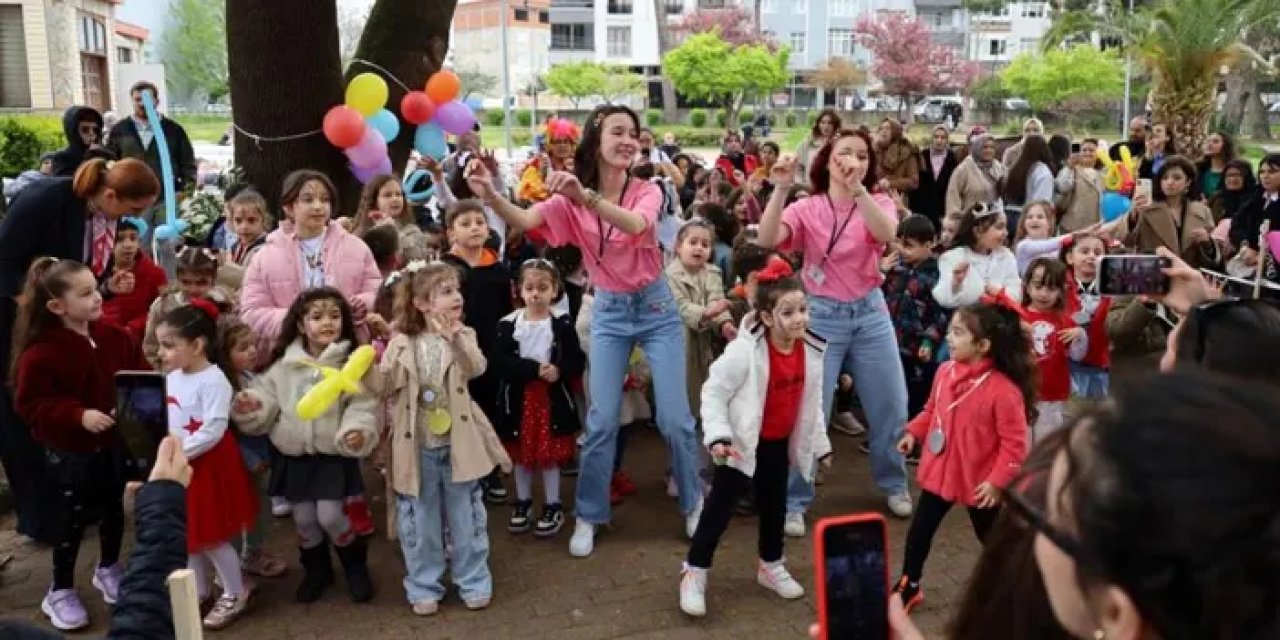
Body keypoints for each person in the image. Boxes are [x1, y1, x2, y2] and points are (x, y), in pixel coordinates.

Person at [465, 104, 705, 558]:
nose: (629, 139)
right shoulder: (569, 198)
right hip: (611, 311)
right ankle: (591, 515)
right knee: (600, 420)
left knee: (674, 419)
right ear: (597, 139)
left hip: (657, 309)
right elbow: (527, 223)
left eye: (633, 132)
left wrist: (585, 198)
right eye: (618, 131)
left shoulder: (647, 189)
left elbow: (637, 225)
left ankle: (694, 504)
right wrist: (491, 195)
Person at [756, 128, 913, 525]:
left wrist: (859, 191)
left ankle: (894, 482)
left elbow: (887, 234)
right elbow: (768, 238)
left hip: (870, 313)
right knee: (809, 409)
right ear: (827, 159)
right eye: (845, 153)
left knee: (891, 405)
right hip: (819, 316)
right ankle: (796, 498)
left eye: (862, 155)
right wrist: (779, 189)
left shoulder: (877, 201)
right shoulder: (807, 207)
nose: (854, 161)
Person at [0, 158, 158, 543]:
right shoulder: (45, 200)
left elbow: (79, 271)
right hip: (14, 322)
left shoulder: (104, 215)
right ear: (110, 194)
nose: (135, 219)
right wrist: (39, 306)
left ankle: (77, 500)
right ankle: (42, 516)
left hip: (59, 322)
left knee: (72, 404)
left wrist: (103, 287)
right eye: (134, 210)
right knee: (24, 415)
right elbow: (4, 260)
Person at [678, 258, 832, 617]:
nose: (799, 319)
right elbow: (713, 392)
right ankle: (694, 571)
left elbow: (813, 404)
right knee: (719, 509)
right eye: (788, 312)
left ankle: (771, 564)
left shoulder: (810, 350)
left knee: (775, 505)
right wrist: (718, 435)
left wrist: (820, 445)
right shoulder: (744, 352)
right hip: (741, 445)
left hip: (778, 443)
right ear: (766, 317)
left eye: (803, 309)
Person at [11, 258, 141, 631]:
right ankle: (61, 588)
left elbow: (137, 373)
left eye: (95, 288)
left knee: (115, 506)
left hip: (113, 443)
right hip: (70, 451)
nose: (97, 297)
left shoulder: (115, 336)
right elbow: (31, 404)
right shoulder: (41, 353)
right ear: (56, 306)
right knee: (72, 519)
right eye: (85, 293)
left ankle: (109, 567)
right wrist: (76, 415)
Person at [231, 289, 380, 604]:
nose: (327, 323)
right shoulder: (284, 365)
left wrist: (356, 430)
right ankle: (317, 571)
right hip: (294, 456)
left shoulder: (351, 363)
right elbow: (265, 396)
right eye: (317, 316)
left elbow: (363, 404)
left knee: (329, 515)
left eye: (335, 316)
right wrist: (251, 406)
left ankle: (355, 565)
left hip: (332, 455)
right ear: (300, 325)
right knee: (304, 520)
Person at [379, 261, 511, 615]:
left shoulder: (463, 334)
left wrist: (455, 340)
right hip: (417, 444)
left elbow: (477, 368)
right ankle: (424, 583)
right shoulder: (402, 342)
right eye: (446, 292)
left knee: (466, 516)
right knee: (420, 522)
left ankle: (473, 578)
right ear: (421, 303)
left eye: (457, 290)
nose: (457, 298)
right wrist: (376, 359)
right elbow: (385, 386)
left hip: (458, 443)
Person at [893, 302, 1033, 613]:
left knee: (993, 540)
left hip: (979, 483)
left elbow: (1015, 444)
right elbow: (932, 410)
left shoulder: (1004, 390)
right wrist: (913, 433)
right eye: (950, 331)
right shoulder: (944, 372)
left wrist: (997, 482)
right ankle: (909, 583)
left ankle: (1017, 583)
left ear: (983, 345)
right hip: (940, 473)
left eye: (958, 333)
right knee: (919, 532)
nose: (949, 339)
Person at [154, 302, 257, 629]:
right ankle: (197, 591)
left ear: (197, 345)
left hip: (208, 466)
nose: (162, 353)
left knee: (210, 536)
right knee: (189, 533)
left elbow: (213, 429)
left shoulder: (214, 381)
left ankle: (234, 590)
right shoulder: (171, 378)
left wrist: (179, 452)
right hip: (183, 465)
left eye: (169, 345)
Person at [239, 170, 382, 367]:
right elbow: (251, 312)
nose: (318, 206)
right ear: (289, 207)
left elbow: (376, 291)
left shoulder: (356, 247)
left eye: (324, 200)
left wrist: (361, 305)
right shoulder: (265, 256)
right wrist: (296, 320)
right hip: (289, 359)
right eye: (308, 199)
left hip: (347, 355)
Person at [491, 260, 585, 538]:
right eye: (529, 287)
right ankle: (522, 501)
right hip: (519, 401)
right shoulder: (507, 325)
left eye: (542, 288)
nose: (535, 294)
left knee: (549, 456)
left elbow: (576, 359)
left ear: (554, 290)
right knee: (522, 455)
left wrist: (560, 370)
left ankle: (553, 504)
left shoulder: (562, 324)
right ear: (519, 290)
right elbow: (500, 362)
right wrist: (532, 370)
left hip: (550, 401)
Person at [441, 199, 515, 504]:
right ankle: (471, 471)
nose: (474, 228)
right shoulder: (446, 269)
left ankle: (491, 468)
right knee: (465, 408)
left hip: (493, 350)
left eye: (479, 222)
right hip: (459, 350)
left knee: (491, 407)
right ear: (451, 233)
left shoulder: (497, 267)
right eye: (465, 223)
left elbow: (507, 310)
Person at [216, 320, 288, 581]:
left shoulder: (252, 378)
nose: (252, 352)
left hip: (261, 460)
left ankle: (253, 553)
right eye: (243, 348)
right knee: (236, 513)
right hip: (239, 462)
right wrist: (249, 459)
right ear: (224, 354)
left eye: (253, 345)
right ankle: (231, 568)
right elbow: (225, 431)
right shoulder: (222, 388)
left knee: (260, 509)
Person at [880, 215, 950, 433]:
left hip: (918, 347)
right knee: (890, 390)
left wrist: (930, 340)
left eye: (908, 245)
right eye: (899, 243)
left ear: (929, 245)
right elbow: (879, 296)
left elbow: (940, 313)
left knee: (916, 393)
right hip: (891, 340)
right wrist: (880, 271)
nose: (901, 249)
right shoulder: (895, 268)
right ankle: (891, 433)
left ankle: (913, 436)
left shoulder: (938, 274)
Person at [666, 219, 736, 419]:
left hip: (705, 339)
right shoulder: (669, 275)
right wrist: (706, 313)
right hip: (681, 337)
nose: (699, 248)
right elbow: (679, 305)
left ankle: (701, 418)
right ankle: (676, 416)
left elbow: (716, 299)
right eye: (693, 242)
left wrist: (725, 323)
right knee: (682, 380)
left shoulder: (712, 272)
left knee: (705, 379)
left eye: (705, 245)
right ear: (678, 247)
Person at [142, 247, 233, 369]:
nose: (193, 289)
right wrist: (165, 371)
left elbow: (230, 347)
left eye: (201, 283)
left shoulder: (223, 305)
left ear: (213, 280)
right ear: (177, 279)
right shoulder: (163, 306)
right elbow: (150, 346)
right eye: (186, 282)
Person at [1122, 155, 1218, 269]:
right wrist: (1133, 216)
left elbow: (1213, 259)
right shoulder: (1145, 209)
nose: (1169, 182)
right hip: (1154, 274)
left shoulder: (1202, 211)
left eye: (1177, 178)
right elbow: (1127, 241)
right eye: (1165, 178)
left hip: (1189, 278)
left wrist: (1207, 243)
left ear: (1188, 182)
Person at [105, 81, 197, 197]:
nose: (142, 104)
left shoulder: (174, 130)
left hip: (166, 200)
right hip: (129, 199)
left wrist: (185, 193)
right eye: (138, 100)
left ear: (156, 101)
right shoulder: (120, 130)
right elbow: (109, 162)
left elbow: (188, 165)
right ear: (132, 101)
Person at [934, 203, 1022, 309]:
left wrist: (997, 293)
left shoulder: (1006, 256)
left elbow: (1016, 294)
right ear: (977, 231)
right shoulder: (953, 257)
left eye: (1005, 227)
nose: (1006, 233)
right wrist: (956, 284)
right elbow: (943, 299)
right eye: (999, 227)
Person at [100, 218, 167, 345]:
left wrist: (132, 328)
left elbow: (161, 308)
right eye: (119, 239)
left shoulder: (154, 273)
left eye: (133, 238)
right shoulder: (97, 271)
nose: (128, 245)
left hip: (142, 342)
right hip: (103, 339)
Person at [350, 174, 429, 261]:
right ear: (374, 201)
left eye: (398, 194)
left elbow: (417, 257)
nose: (395, 199)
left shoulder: (412, 231)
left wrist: (392, 230)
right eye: (387, 195)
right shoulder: (361, 231)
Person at [216, 188, 272, 291]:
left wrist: (224, 268)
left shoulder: (267, 249)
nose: (244, 226)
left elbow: (254, 279)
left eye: (251, 220)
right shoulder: (236, 246)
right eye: (238, 221)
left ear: (263, 220)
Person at [945, 134, 1004, 223]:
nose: (989, 150)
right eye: (985, 147)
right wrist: (955, 220)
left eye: (992, 147)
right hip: (970, 222)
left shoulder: (999, 168)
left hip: (993, 221)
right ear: (977, 148)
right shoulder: (963, 169)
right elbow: (953, 197)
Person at [1003, 135, 1057, 233]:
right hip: (1027, 218)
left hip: (1009, 215)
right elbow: (1042, 202)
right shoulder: (1043, 172)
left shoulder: (1017, 168)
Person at [1054, 138, 1104, 233]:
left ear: (1097, 154)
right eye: (1084, 150)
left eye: (1091, 150)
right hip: (1072, 226)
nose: (1087, 153)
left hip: (1094, 227)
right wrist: (1069, 167)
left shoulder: (1102, 175)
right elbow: (1062, 187)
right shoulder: (1071, 170)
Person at [916, 126, 959, 226]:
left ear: (947, 140)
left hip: (943, 208)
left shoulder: (952, 158)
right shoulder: (923, 155)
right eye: (936, 137)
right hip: (923, 208)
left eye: (942, 137)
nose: (939, 140)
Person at [874, 118, 921, 207]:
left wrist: (891, 183)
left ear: (895, 131)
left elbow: (914, 182)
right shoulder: (875, 150)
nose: (884, 131)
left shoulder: (906, 151)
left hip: (898, 201)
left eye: (888, 128)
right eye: (881, 128)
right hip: (875, 200)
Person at [49, 106, 103, 177]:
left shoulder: (102, 154)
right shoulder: (62, 158)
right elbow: (69, 183)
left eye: (95, 130)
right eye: (85, 130)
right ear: (73, 132)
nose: (91, 133)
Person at [795, 109, 840, 185]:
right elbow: (798, 167)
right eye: (823, 122)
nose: (826, 126)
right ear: (818, 124)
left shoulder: (840, 143)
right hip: (809, 187)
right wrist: (800, 185)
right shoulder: (808, 143)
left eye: (830, 123)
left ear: (835, 125)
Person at [1195, 131, 1236, 201]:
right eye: (1208, 141)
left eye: (1215, 141)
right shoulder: (1198, 168)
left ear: (1226, 146)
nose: (1209, 144)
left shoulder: (1234, 170)